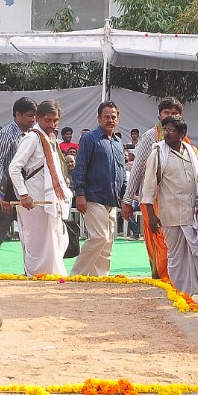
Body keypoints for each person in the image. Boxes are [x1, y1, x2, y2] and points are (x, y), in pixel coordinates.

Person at [140, 115, 198, 296]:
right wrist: (151, 215)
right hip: (171, 216)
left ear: (183, 133)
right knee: (175, 258)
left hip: (193, 216)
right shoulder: (158, 153)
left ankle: (188, 293)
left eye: (171, 130)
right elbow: (149, 187)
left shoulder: (191, 151)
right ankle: (177, 294)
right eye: (165, 130)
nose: (166, 134)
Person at [122, 98, 186, 280]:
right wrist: (128, 200)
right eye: (167, 113)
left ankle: (175, 281)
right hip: (154, 201)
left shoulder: (183, 138)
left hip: (178, 202)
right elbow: (137, 169)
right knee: (161, 243)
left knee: (177, 244)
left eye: (174, 113)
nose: (170, 116)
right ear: (159, 115)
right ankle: (163, 280)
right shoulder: (150, 136)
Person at [9, 100, 72, 277]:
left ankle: (51, 278)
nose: (52, 125)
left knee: (56, 241)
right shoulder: (32, 138)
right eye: (47, 120)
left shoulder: (50, 139)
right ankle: (35, 279)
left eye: (55, 120)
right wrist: (24, 194)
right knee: (36, 243)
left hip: (50, 201)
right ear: (38, 118)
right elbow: (14, 168)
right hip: (33, 200)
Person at [70, 102, 126, 277]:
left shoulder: (117, 142)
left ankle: (100, 277)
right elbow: (80, 167)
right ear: (99, 118)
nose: (110, 120)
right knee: (99, 237)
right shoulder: (90, 139)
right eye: (106, 117)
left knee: (108, 241)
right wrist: (80, 194)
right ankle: (77, 275)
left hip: (112, 199)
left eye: (113, 117)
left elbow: (122, 172)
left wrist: (124, 197)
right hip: (93, 196)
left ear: (118, 118)